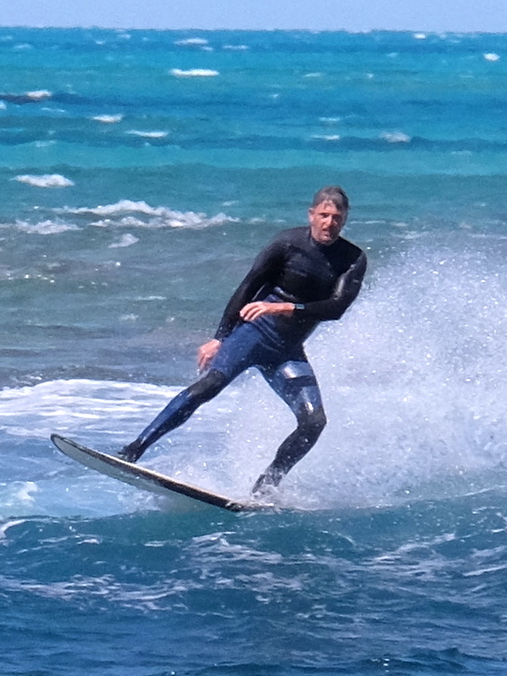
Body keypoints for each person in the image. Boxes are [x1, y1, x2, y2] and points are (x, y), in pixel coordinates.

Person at [119, 186, 367, 498]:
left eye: (336, 217)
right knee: (208, 386)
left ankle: (265, 488)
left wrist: (287, 307)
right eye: (324, 215)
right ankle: (133, 450)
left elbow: (337, 308)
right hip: (253, 334)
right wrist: (219, 338)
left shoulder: (352, 259)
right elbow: (248, 287)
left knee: (314, 422)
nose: (329, 223)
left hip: (287, 351)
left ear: (345, 219)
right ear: (311, 215)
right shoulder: (287, 243)